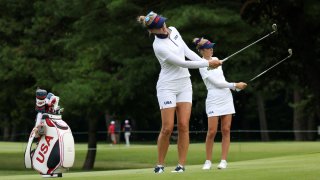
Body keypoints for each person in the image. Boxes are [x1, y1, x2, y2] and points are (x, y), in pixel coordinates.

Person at [137, 11, 222, 173]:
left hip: (184, 84)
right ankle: (160, 164)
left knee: (183, 125)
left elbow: (188, 53)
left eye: (163, 22)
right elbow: (182, 63)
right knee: (167, 127)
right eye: (160, 25)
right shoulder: (158, 47)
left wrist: (208, 61)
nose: (164, 26)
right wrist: (208, 64)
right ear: (153, 30)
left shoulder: (174, 31)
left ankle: (181, 165)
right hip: (167, 86)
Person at [193, 37, 247, 170]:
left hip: (226, 97)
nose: (211, 49)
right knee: (211, 131)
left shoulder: (216, 59)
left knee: (226, 129)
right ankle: (208, 161)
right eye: (208, 48)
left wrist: (234, 87)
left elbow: (221, 80)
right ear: (201, 50)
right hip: (213, 98)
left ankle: (223, 160)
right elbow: (216, 83)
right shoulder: (200, 64)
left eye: (212, 47)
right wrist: (235, 85)